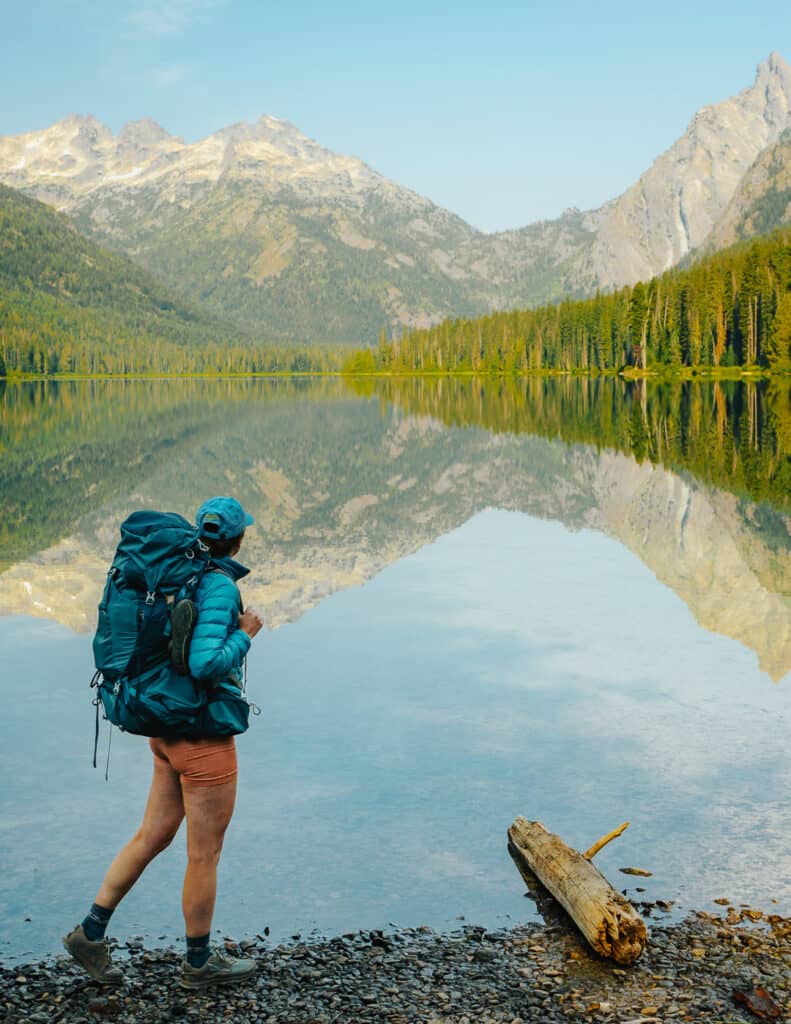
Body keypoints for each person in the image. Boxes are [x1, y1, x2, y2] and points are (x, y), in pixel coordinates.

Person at [63, 497, 264, 990]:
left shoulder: (174, 572)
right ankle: (198, 963)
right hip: (202, 739)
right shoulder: (216, 584)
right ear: (237, 540)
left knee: (151, 835)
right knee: (203, 855)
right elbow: (204, 664)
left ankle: (91, 933)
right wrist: (245, 634)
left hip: (163, 729)